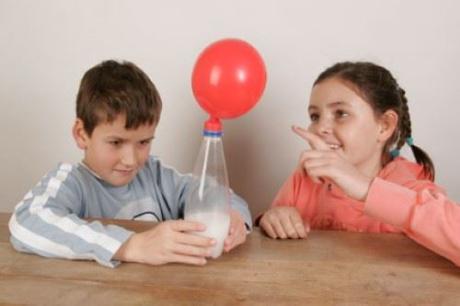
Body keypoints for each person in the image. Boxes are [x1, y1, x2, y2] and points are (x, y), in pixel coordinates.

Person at [9, 60, 252, 268]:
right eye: (116, 142)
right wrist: (131, 246)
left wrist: (234, 217)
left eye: (144, 142)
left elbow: (217, 193)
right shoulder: (72, 182)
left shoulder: (156, 177)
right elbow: (26, 221)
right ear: (82, 134)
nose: (131, 160)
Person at [258, 61, 460, 266]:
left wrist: (365, 188)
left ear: (384, 126)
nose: (320, 128)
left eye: (341, 114)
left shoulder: (410, 187)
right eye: (315, 116)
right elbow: (271, 240)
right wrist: (274, 218)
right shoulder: (304, 180)